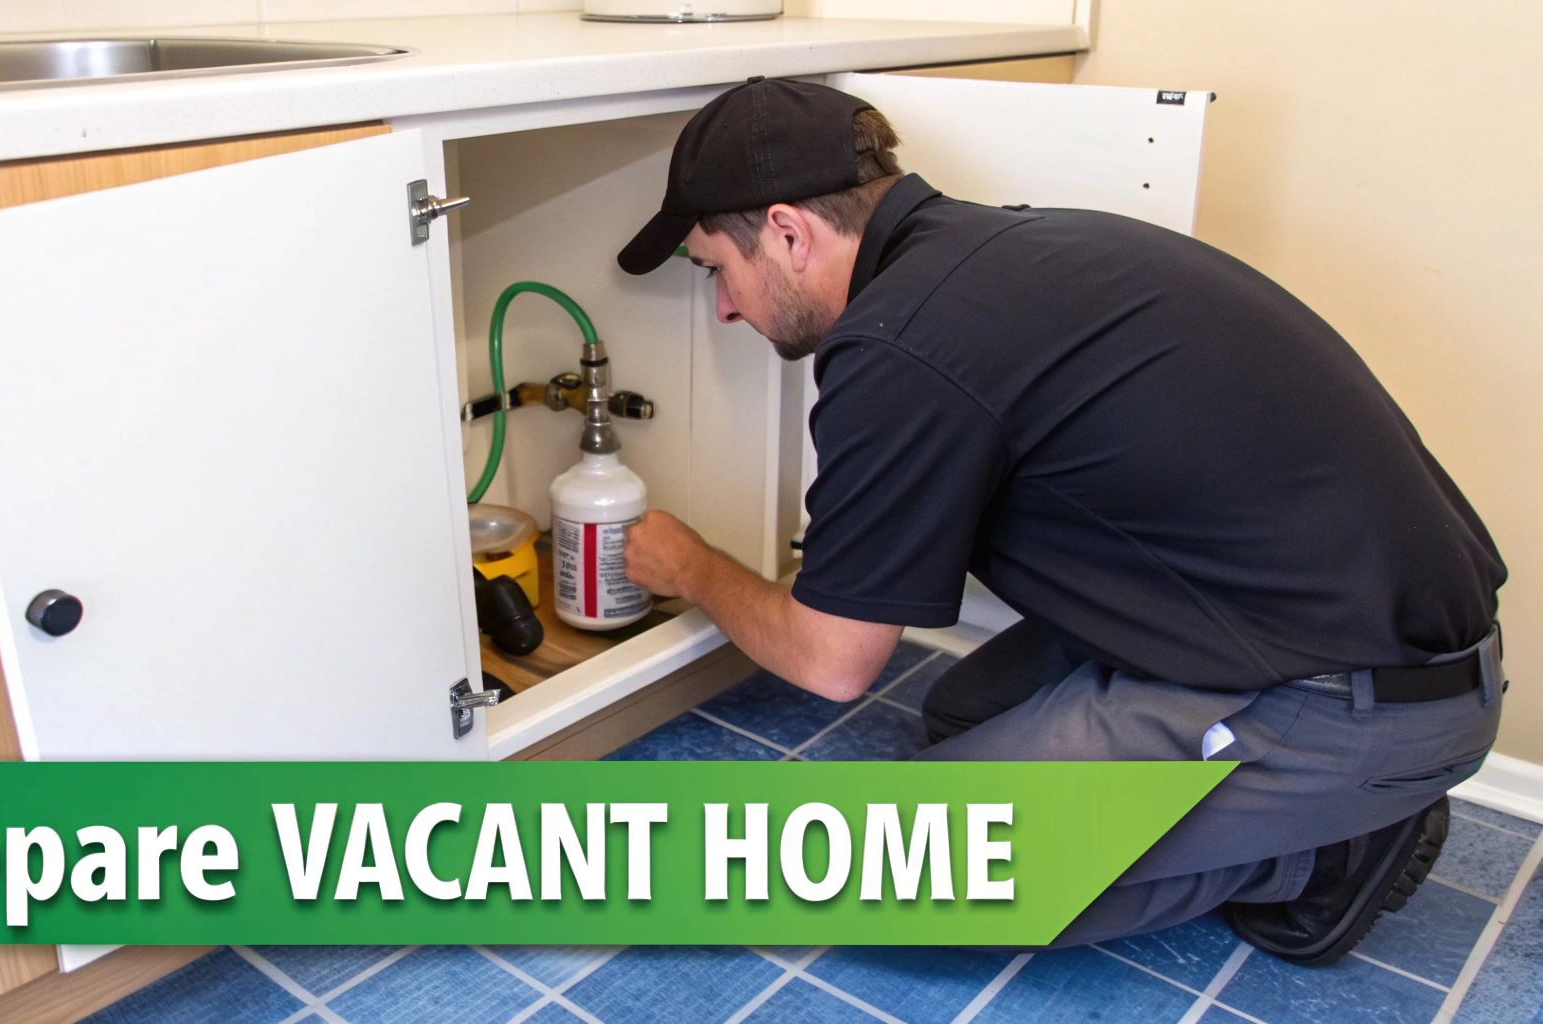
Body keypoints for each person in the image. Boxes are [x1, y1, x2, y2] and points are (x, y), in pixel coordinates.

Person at [616, 78, 1507, 963]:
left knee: (884, 885)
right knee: (966, 711)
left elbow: (831, 659)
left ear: (787, 232)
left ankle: (1323, 851)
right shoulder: (1001, 251)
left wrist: (693, 567)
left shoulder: (900, 342)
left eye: (716, 271)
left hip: (1353, 696)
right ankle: (1289, 804)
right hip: (1322, 631)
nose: (724, 307)